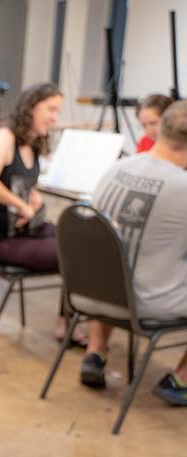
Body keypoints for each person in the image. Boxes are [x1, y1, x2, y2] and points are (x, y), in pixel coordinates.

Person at [77, 100, 187, 403]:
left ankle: (95, 352)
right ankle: (180, 381)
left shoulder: (114, 170)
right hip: (143, 305)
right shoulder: (182, 188)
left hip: (92, 295)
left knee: (115, 261)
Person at [0, 82, 82, 343]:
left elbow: (19, 183)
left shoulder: (31, 143)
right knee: (74, 253)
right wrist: (21, 205)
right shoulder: (5, 137)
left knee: (78, 241)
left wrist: (31, 199)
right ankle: (66, 322)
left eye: (58, 111)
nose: (55, 117)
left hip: (22, 229)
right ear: (32, 106)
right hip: (0, 239)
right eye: (51, 109)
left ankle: (67, 319)